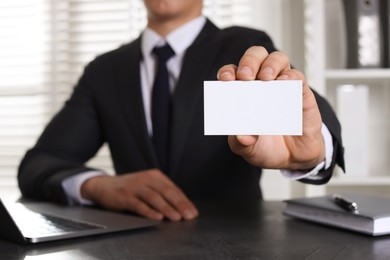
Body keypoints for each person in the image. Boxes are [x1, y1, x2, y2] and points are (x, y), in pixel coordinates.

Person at [18, 0, 344, 222]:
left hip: (236, 245)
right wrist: (98, 186)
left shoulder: (245, 47)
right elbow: (39, 164)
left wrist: (311, 151)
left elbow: (309, 112)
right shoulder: (105, 71)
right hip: (132, 248)